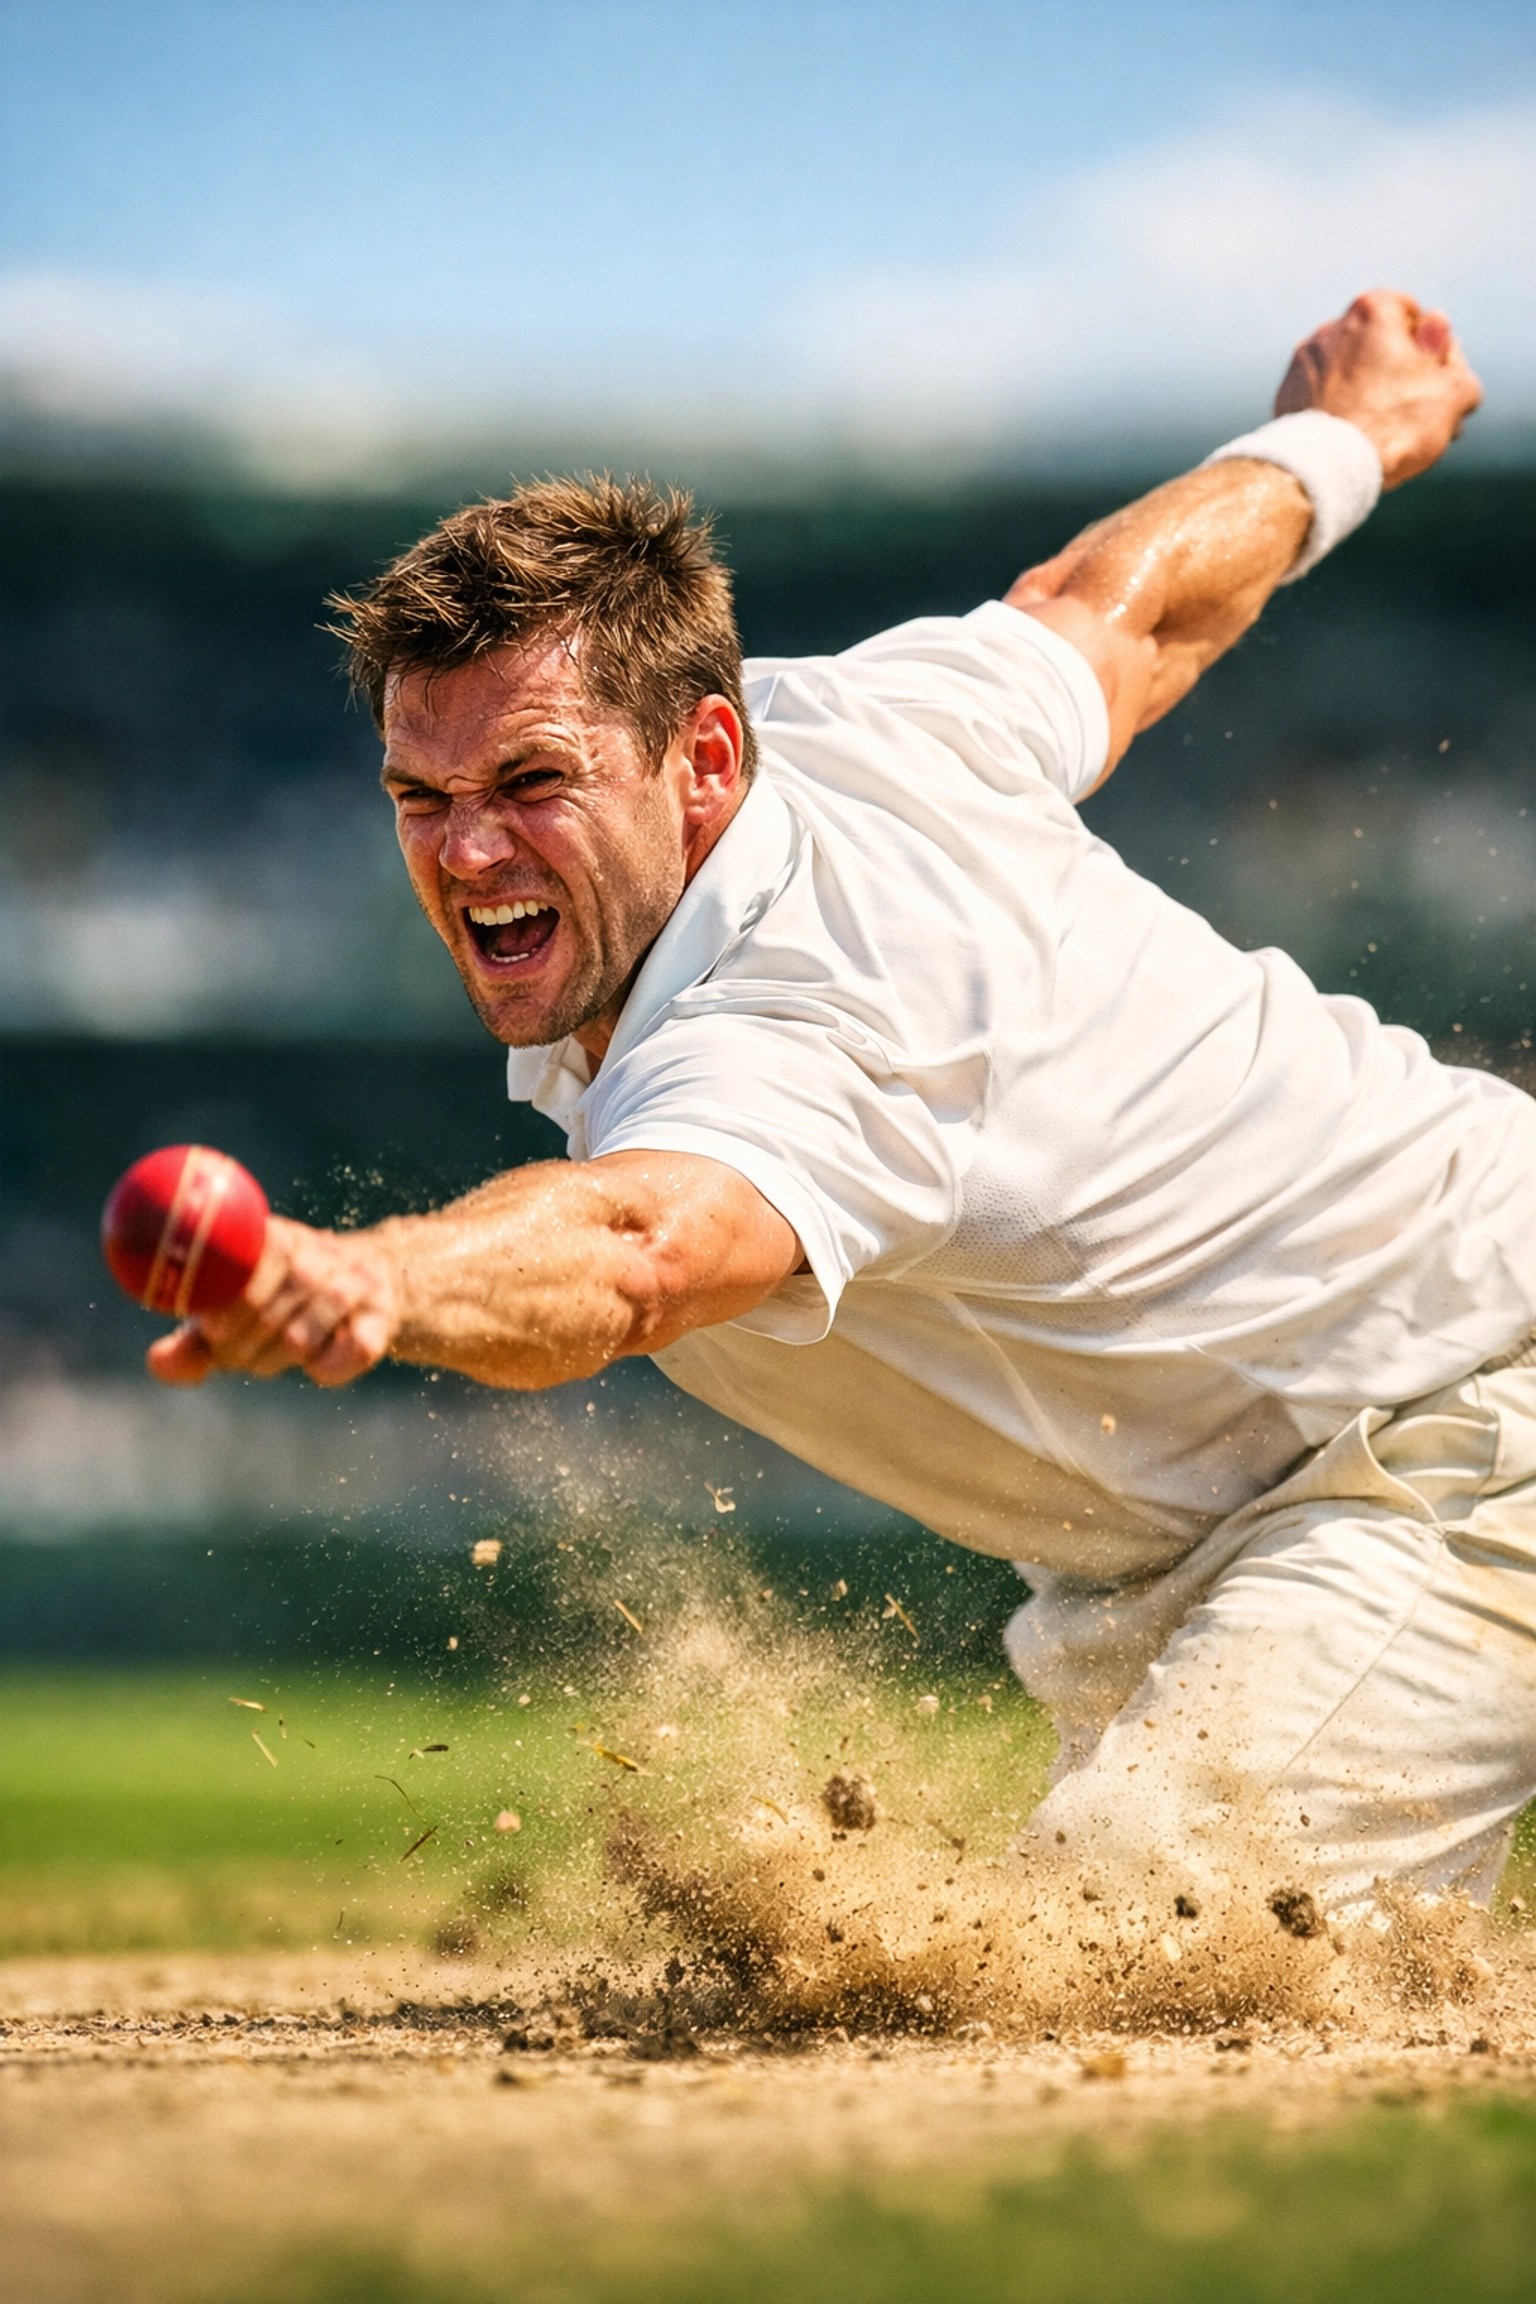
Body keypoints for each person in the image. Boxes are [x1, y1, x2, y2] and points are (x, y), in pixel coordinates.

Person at [148, 291, 1532, 1915]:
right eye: (422, 795)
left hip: (1461, 1416)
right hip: (1242, 1512)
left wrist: (376, 1281)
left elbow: (636, 1251)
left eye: (531, 783)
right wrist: (1340, 440)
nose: (466, 852)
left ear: (703, 758)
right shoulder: (875, 721)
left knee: (1116, 1953)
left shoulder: (795, 1020)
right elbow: (1120, 611)